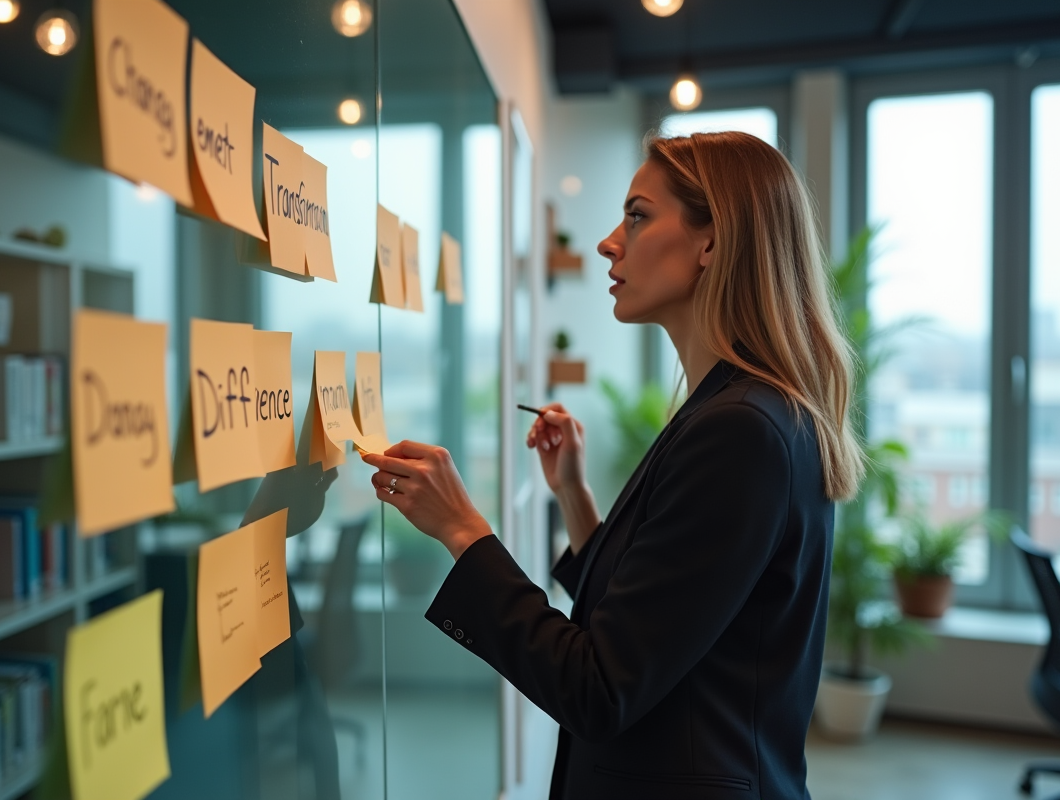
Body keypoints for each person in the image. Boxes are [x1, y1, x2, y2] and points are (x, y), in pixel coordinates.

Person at [361, 130, 865, 800]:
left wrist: (462, 530)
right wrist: (573, 495)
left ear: (713, 241)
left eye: (637, 215)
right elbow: (662, 615)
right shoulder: (739, 409)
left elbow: (598, 686)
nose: (608, 241)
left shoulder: (739, 429)